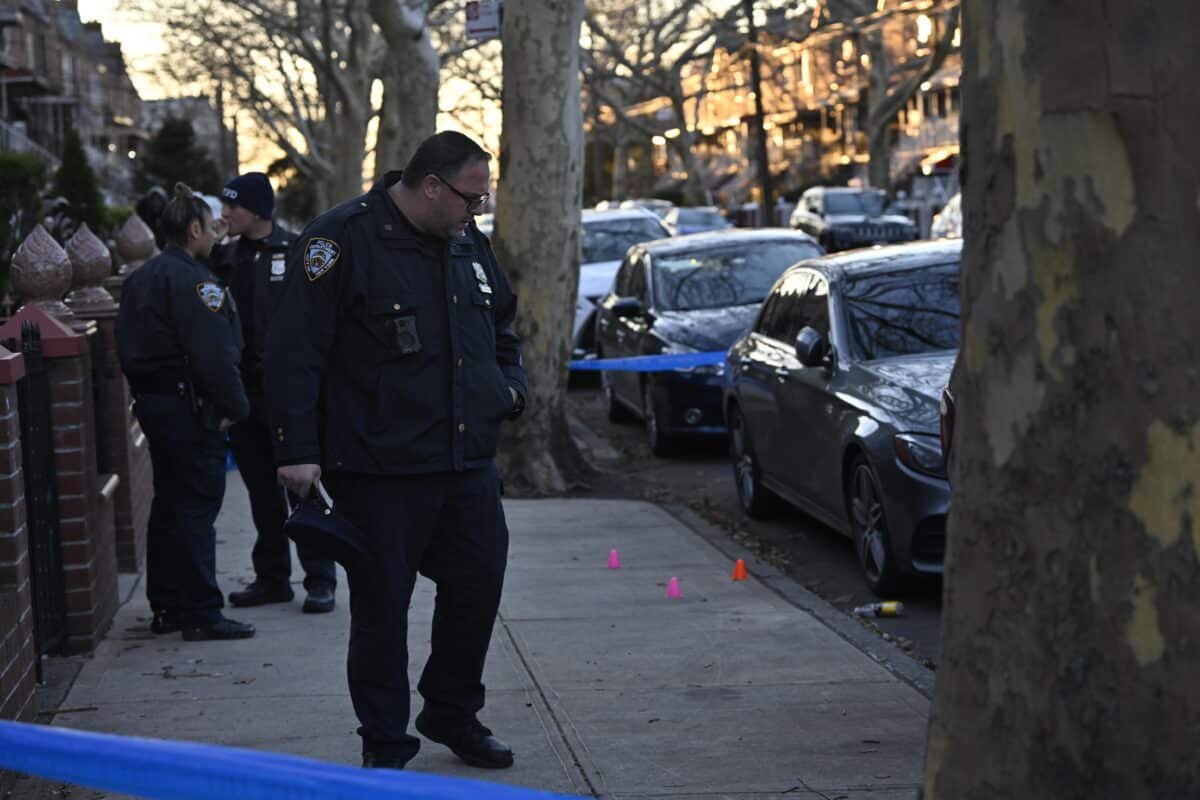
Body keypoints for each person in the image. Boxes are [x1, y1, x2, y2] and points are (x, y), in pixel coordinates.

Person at [264, 131, 527, 770]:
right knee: (383, 611)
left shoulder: (468, 242)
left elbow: (501, 328)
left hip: (466, 463)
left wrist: (509, 390)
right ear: (431, 186)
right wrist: (296, 449)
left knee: (478, 588)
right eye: (472, 198)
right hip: (379, 469)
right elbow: (294, 350)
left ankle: (452, 711)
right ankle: (385, 742)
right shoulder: (340, 240)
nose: (478, 211)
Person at [116, 183, 255, 642]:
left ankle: (169, 604)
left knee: (169, 505)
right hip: (191, 409)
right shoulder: (197, 282)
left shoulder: (140, 278)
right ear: (193, 228)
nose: (216, 234)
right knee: (195, 509)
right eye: (210, 227)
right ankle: (201, 611)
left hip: (156, 408)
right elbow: (214, 354)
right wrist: (236, 407)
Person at [213, 172, 337, 614]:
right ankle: (272, 578)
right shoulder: (222, 258)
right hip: (244, 394)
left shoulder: (297, 248)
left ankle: (320, 578)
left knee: (303, 489)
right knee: (260, 494)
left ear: (259, 210)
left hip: (288, 394)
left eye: (234, 206)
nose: (225, 213)